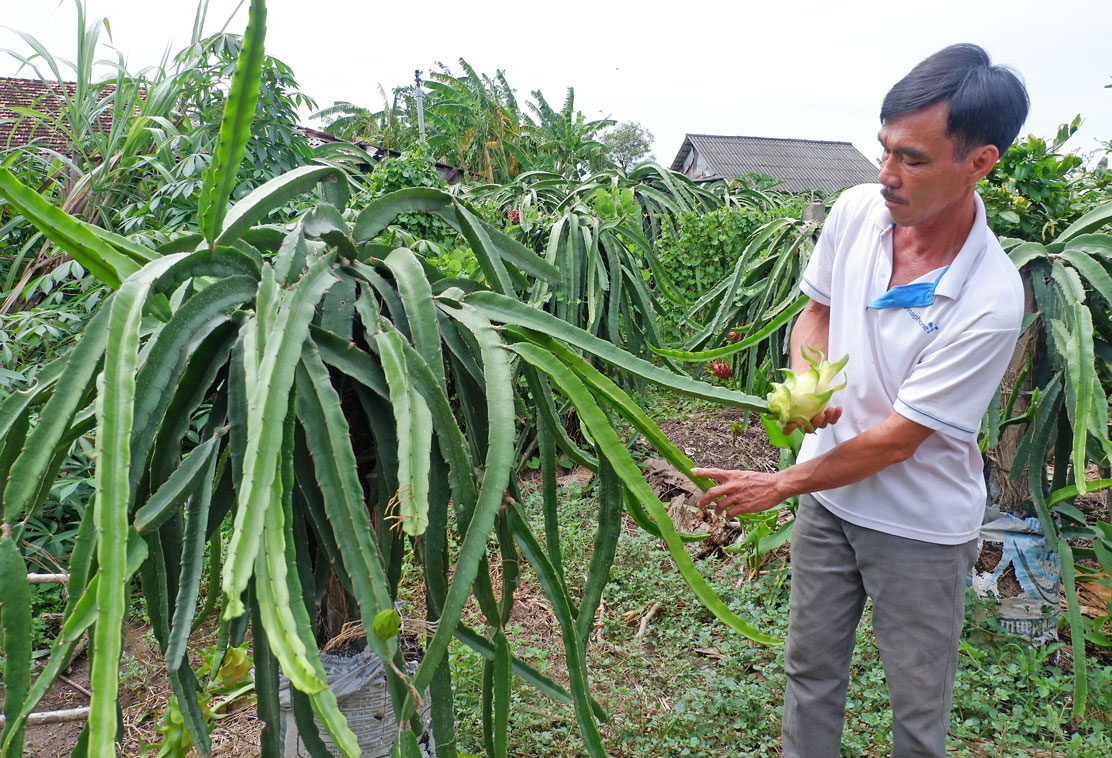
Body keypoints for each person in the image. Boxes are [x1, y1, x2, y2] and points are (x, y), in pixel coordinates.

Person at [692, 44, 1029, 758]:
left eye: (911, 159)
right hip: (830, 504)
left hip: (919, 528)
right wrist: (814, 383)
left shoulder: (990, 297)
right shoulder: (854, 210)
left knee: (916, 711)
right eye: (884, 150)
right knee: (810, 672)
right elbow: (813, 312)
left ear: (979, 162)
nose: (886, 176)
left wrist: (779, 483)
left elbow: (899, 440)